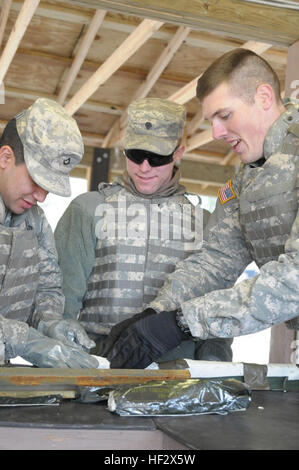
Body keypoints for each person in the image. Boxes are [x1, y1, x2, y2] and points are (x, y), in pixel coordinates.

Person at [102, 48, 299, 369]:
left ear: (264, 97)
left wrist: (181, 322)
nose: (216, 133)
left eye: (225, 116)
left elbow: (295, 278)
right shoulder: (247, 177)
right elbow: (216, 260)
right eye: (212, 121)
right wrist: (156, 312)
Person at [54, 97, 233, 364]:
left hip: (177, 374)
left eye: (157, 157)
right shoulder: (88, 210)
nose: (144, 167)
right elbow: (59, 305)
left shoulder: (205, 223)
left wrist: (212, 370)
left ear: (178, 153)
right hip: (101, 366)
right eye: (136, 155)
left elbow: (218, 315)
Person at [0, 97, 98, 368]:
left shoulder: (35, 222)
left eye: (49, 187)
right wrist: (28, 341)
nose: (42, 197)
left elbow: (47, 287)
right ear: (5, 157)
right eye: (37, 180)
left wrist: (51, 323)